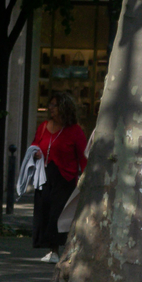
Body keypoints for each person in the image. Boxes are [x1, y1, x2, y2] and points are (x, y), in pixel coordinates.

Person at [30, 99, 88, 259]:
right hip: (44, 174)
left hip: (65, 177)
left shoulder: (75, 130)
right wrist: (35, 152)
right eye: (50, 104)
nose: (50, 108)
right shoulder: (44, 127)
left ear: (64, 108)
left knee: (58, 213)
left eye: (54, 105)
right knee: (44, 211)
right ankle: (50, 248)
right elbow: (35, 143)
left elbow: (83, 156)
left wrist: (85, 175)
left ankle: (56, 250)